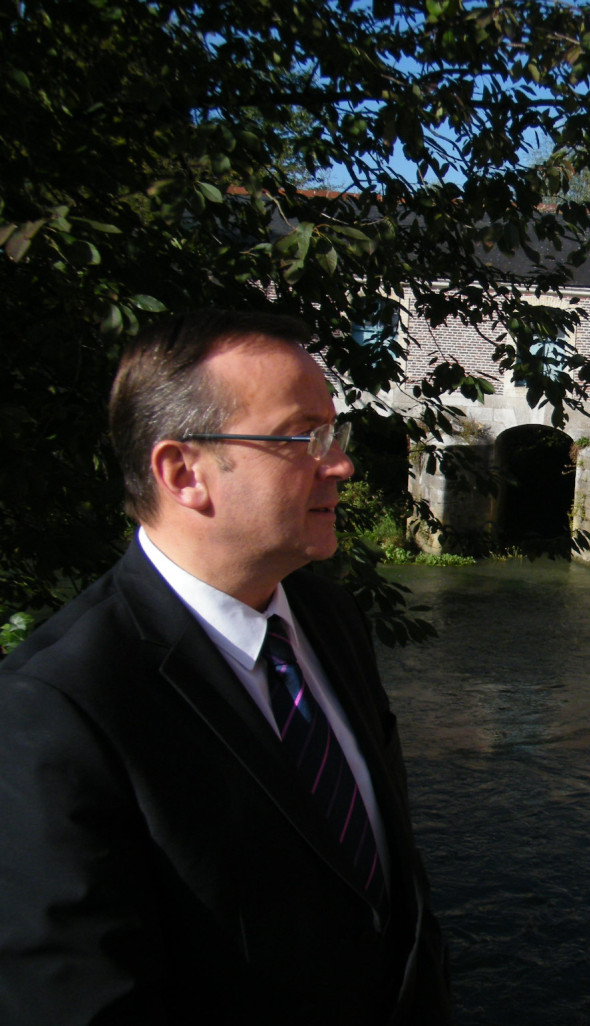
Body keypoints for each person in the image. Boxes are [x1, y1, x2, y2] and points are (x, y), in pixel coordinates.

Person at [0, 310, 449, 1023]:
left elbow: (389, 888)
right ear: (184, 473)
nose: (341, 464)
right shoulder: (57, 709)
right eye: (302, 439)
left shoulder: (328, 618)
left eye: (334, 434)